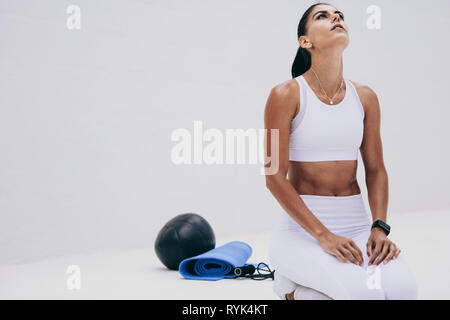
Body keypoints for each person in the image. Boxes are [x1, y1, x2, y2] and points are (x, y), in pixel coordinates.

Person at [264, 2, 418, 300]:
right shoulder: (284, 95)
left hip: (358, 225)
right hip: (303, 232)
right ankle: (289, 278)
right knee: (365, 296)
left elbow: (375, 170)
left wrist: (380, 228)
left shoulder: (365, 97)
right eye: (322, 16)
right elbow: (273, 176)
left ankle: (295, 285)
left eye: (340, 15)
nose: (336, 17)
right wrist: (323, 236)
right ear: (305, 41)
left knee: (403, 293)